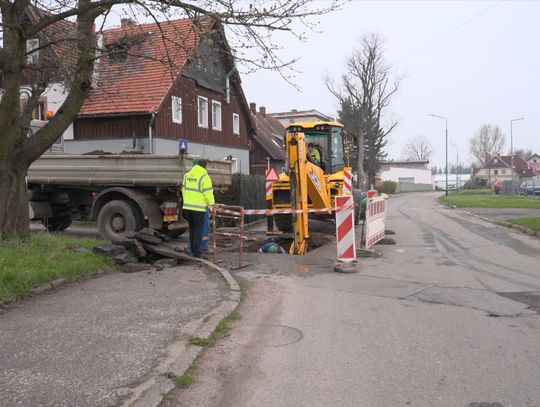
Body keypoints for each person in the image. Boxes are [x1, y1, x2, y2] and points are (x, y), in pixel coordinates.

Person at [182, 156, 215, 258]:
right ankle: (196, 253)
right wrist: (211, 205)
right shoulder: (204, 177)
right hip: (199, 209)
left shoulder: (187, 175)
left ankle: (192, 249)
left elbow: (183, 190)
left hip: (187, 208)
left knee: (192, 229)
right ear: (205, 166)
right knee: (198, 230)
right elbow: (208, 193)